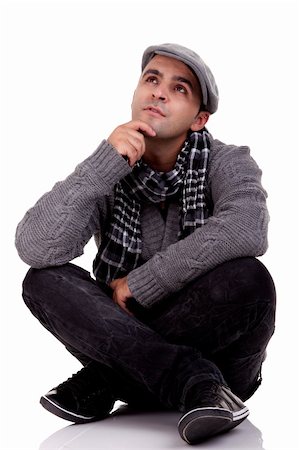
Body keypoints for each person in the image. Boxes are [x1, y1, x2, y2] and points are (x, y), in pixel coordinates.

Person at [15, 43, 276, 445]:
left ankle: (103, 381)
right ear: (137, 93)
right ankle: (192, 381)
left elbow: (246, 228)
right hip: (155, 363)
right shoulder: (111, 167)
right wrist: (103, 163)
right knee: (42, 280)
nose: (159, 92)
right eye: (152, 80)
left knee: (249, 277)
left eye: (179, 88)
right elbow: (36, 246)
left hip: (224, 363)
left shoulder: (229, 161)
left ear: (199, 119)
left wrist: (141, 284)